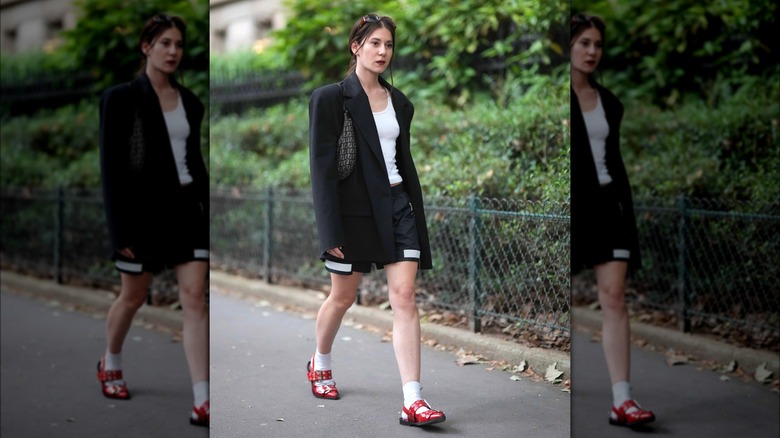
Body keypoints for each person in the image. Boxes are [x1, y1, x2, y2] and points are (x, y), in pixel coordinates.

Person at [307, 14, 445, 427]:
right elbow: (321, 168)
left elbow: (402, 160)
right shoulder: (330, 98)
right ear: (356, 47)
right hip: (352, 214)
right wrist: (329, 230)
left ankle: (413, 400)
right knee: (343, 296)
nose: (383, 51)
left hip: (398, 205)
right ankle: (320, 361)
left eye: (388, 44)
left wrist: (414, 214)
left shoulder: (401, 102)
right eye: (374, 43)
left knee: (404, 297)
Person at [98, 14, 209, 427]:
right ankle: (110, 361)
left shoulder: (191, 102)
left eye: (178, 44)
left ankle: (203, 398)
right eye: (164, 43)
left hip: (187, 210)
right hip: (141, 214)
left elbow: (193, 162)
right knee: (134, 295)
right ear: (146, 47)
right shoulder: (120, 98)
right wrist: (120, 231)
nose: (173, 52)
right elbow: (112, 170)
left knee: (195, 297)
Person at [570, 13, 656, 428]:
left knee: (614, 297)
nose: (591, 51)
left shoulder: (610, 102)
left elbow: (615, 164)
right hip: (573, 211)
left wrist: (627, 213)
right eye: (584, 42)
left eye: (597, 45)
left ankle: (622, 399)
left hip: (608, 208)